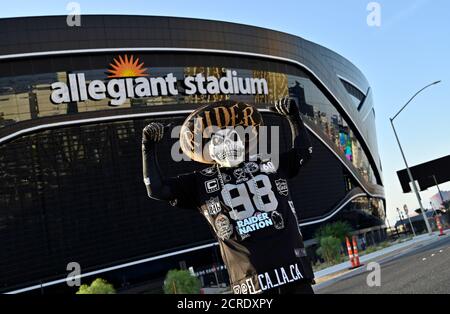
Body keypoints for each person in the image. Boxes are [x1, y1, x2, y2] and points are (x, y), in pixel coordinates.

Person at [141, 99, 315, 294]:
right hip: (250, 283)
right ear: (208, 151)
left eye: (233, 137)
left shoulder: (270, 162)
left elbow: (304, 152)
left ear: (244, 140)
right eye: (218, 140)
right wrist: (148, 147)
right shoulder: (199, 182)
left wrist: (294, 117)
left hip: (293, 271)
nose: (228, 145)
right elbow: (156, 189)